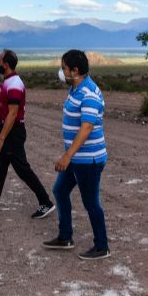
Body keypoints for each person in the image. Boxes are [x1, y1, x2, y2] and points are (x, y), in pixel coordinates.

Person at [0, 49, 55, 219]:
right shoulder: (9, 81)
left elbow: (13, 114)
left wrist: (1, 139)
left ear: (6, 64)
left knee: (23, 170)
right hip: (7, 131)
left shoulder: (14, 84)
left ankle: (46, 202)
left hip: (11, 134)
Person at [43, 49, 110, 260]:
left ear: (75, 70)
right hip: (77, 158)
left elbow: (87, 128)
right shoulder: (75, 88)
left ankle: (102, 246)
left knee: (91, 202)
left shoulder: (88, 93)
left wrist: (67, 156)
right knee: (60, 190)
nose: (61, 72)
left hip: (88, 159)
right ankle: (65, 237)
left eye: (64, 68)